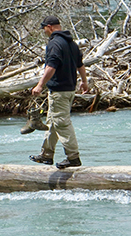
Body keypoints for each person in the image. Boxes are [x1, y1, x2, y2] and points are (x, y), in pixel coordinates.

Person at [29, 15, 89, 169]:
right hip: (69, 89)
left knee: (62, 124)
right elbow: (80, 64)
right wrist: (84, 81)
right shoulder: (72, 43)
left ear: (49, 26)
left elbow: (51, 66)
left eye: (44, 28)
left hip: (59, 91)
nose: (44, 32)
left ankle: (73, 157)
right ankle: (46, 155)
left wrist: (40, 85)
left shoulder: (55, 43)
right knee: (52, 122)